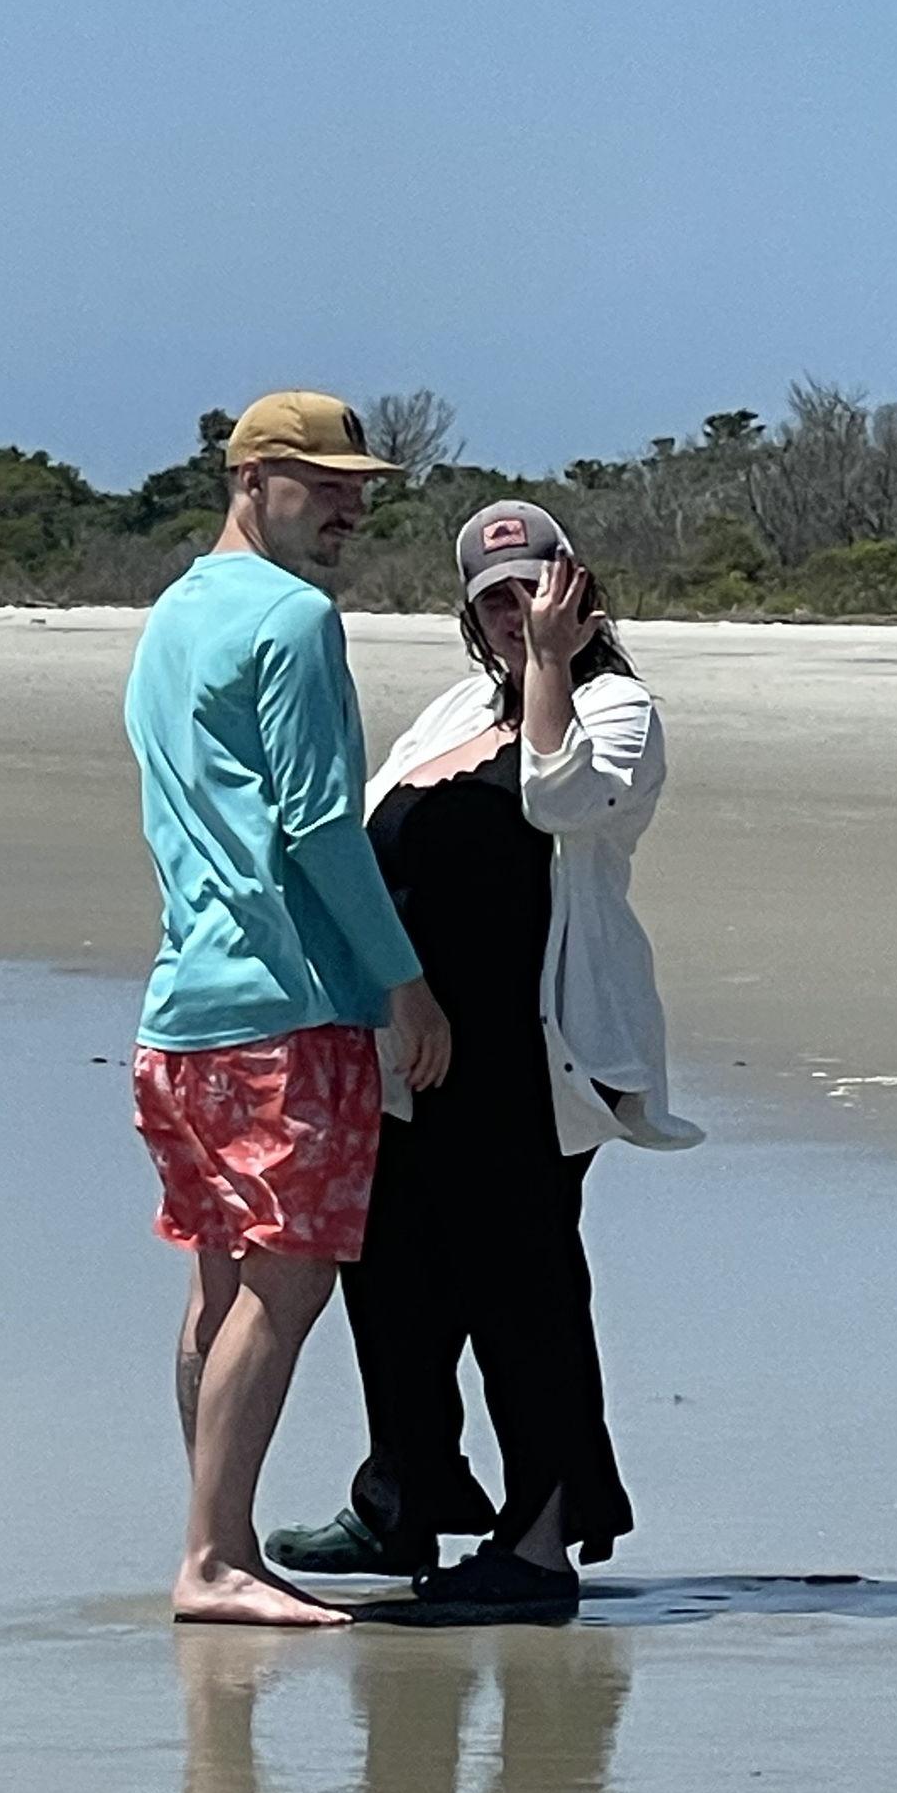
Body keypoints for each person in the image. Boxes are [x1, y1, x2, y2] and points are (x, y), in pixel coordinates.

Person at [266, 501, 702, 1613]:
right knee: (393, 1275)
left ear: (575, 588)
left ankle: (545, 1533)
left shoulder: (617, 711)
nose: (514, 618)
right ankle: (402, 1498)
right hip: (414, 1045)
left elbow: (559, 797)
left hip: (533, 1050)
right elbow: (368, 838)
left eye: (533, 592)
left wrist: (552, 664)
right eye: (493, 602)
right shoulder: (455, 707)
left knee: (524, 1291)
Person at [125, 389, 452, 1628]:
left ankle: (220, 1537)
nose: (350, 508)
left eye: (359, 487)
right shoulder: (294, 619)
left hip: (180, 1013)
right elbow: (318, 822)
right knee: (291, 1281)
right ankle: (213, 1556)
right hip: (284, 1007)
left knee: (221, 1284)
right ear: (251, 477)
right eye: (324, 485)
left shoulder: (170, 615)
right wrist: (402, 980)